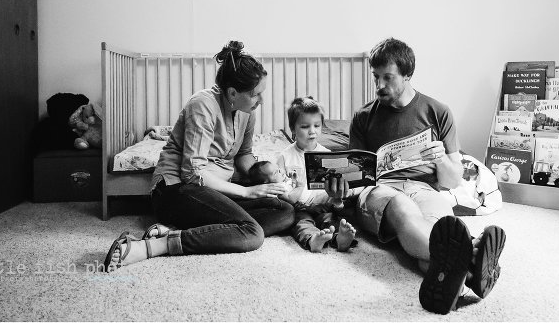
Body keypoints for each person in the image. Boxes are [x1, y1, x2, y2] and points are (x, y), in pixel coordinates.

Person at [324, 38, 506, 315]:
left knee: (440, 230)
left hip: (425, 188)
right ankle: (471, 256)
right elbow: (356, 177)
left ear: (407, 75)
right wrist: (340, 190)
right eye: (376, 77)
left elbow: (451, 181)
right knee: (403, 208)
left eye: (388, 77)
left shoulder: (438, 112)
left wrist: (440, 157)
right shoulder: (363, 117)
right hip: (380, 190)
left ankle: (460, 277)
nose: (380, 86)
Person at [103, 40, 295, 271]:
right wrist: (246, 191)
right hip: (177, 189)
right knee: (252, 233)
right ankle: (154, 246)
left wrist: (268, 178)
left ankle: (175, 230)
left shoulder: (246, 112)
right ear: (233, 92)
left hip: (217, 190)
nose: (261, 101)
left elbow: (244, 156)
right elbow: (193, 173)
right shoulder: (203, 104)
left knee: (284, 210)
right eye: (256, 95)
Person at [248, 96, 358, 253]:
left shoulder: (327, 155)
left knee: (331, 220)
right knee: (301, 223)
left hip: (324, 205)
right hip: (300, 207)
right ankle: (313, 240)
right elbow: (278, 185)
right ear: (293, 129)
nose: (312, 131)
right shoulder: (285, 156)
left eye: (317, 126)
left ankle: (340, 239)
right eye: (305, 126)